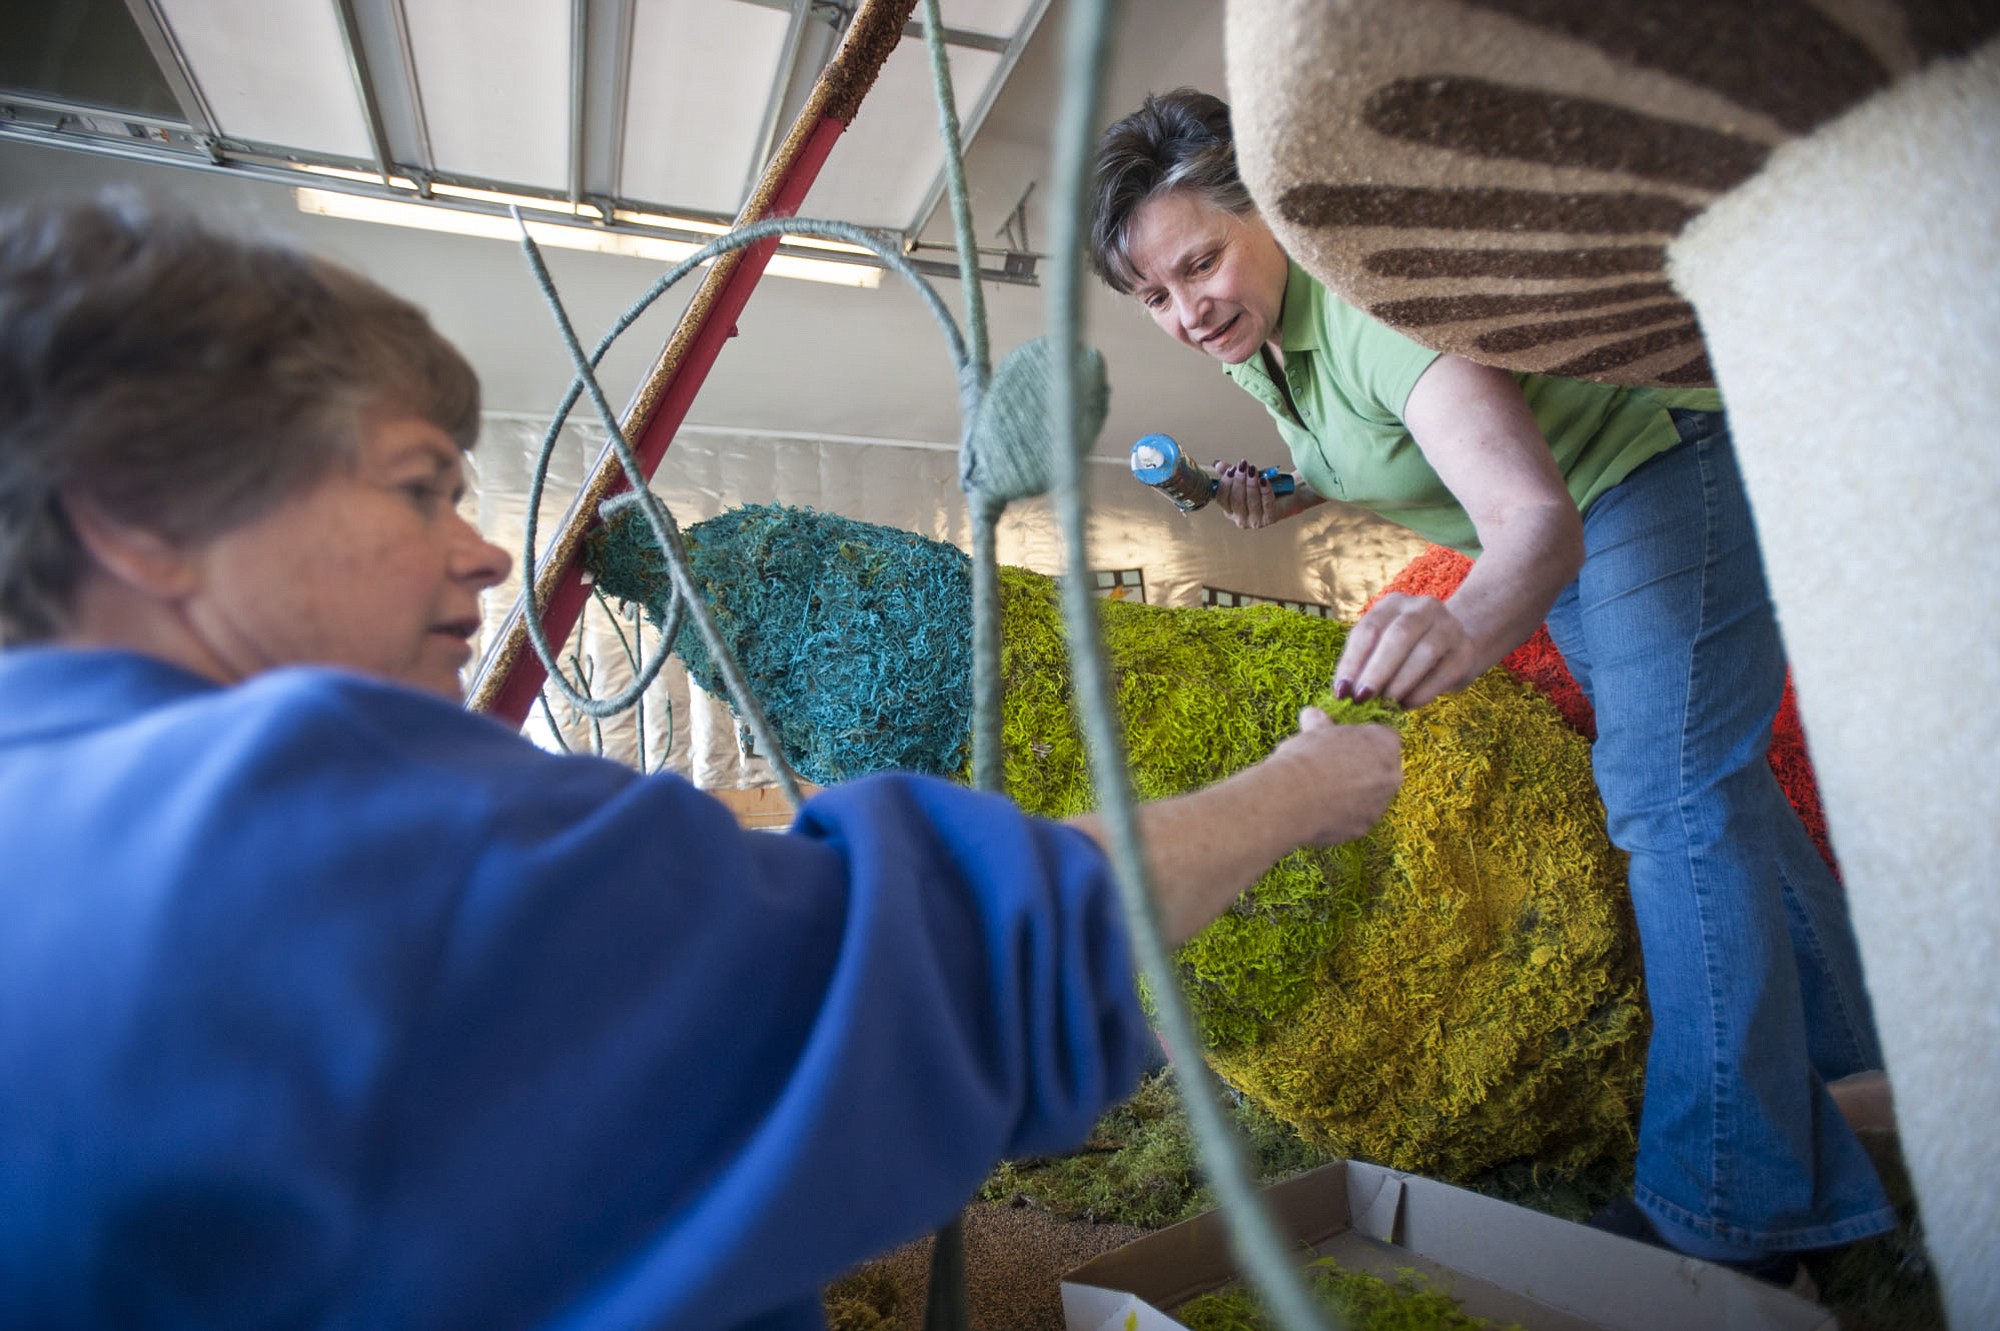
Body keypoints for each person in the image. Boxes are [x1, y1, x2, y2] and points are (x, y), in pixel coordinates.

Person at [0, 193, 1403, 1330]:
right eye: (420, 484)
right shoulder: (296, 816)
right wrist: (1304, 789)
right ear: (138, 511)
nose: (487, 548)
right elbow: (965, 955)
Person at [1088, 89, 1893, 1286]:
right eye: (1152, 295)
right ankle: (1863, 1079)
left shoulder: (1364, 310)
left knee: (1667, 800)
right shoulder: (1266, 346)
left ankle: (1737, 1214)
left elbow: (1529, 519)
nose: (1185, 309)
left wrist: (1460, 628)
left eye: (1198, 262)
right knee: (1711, 791)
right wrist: (1293, 487)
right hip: (1586, 517)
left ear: (1269, 214)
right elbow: (1387, 443)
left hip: (1646, 473)